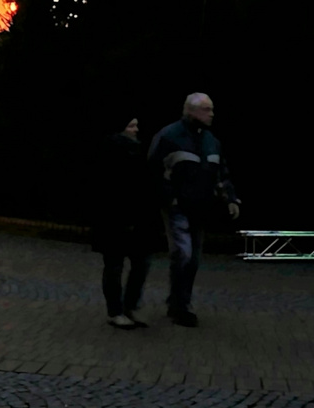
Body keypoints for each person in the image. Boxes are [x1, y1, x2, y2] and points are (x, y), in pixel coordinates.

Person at [149, 93, 240, 327]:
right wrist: (168, 199)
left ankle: (180, 303)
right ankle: (180, 306)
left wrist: (230, 198)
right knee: (184, 254)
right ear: (191, 111)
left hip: (199, 208)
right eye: (206, 109)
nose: (211, 114)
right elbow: (154, 171)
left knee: (192, 259)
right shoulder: (170, 136)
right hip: (177, 206)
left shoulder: (211, 141)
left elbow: (220, 172)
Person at [93, 116, 157, 329]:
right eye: (131, 125)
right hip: (115, 218)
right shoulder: (112, 151)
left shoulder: (137, 151)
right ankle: (116, 310)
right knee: (115, 265)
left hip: (136, 218)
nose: (136, 129)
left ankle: (129, 306)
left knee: (140, 262)